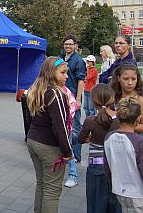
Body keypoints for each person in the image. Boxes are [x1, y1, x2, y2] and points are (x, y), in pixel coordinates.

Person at [26, 57, 73, 213]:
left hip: (34, 141)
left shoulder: (37, 89)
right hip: (49, 146)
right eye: (63, 73)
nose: (67, 76)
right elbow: (60, 126)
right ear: (52, 73)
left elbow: (29, 119)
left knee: (42, 184)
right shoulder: (55, 93)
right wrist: (67, 151)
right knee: (52, 191)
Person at [77, 84, 122, 213]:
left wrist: (89, 137)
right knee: (115, 204)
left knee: (95, 204)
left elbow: (80, 139)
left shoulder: (90, 120)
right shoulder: (119, 120)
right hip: (116, 167)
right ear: (112, 99)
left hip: (96, 167)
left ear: (93, 101)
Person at [104, 98, 143, 212]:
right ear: (138, 119)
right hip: (138, 192)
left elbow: (107, 166)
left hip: (119, 190)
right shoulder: (138, 142)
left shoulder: (108, 137)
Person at [60, 35, 86, 188]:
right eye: (66, 44)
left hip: (72, 98)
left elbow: (81, 80)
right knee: (64, 128)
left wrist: (78, 99)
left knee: (75, 128)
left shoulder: (79, 61)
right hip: (62, 97)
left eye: (70, 44)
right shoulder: (61, 58)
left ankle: (76, 155)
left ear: (75, 45)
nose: (68, 46)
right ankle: (65, 155)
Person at [110, 63, 143, 134]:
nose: (130, 83)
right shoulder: (112, 96)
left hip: (133, 140)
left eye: (133, 79)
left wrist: (124, 126)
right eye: (125, 79)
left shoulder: (140, 99)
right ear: (118, 78)